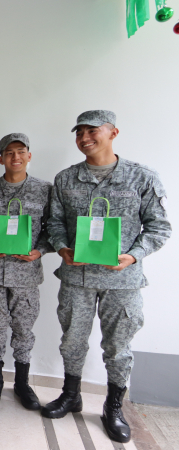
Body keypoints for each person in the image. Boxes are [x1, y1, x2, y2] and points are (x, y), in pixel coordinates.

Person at [42, 111, 171, 444]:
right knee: (72, 340)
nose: (85, 137)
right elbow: (54, 223)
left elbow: (159, 228)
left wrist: (133, 255)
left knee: (118, 347)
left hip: (122, 281)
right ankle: (71, 395)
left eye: (92, 130)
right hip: (77, 277)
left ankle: (113, 408)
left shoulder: (142, 178)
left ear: (113, 132)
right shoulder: (65, 179)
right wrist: (61, 246)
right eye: (79, 132)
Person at [0, 134, 53, 408]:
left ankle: (22, 383)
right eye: (9, 153)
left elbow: (53, 229)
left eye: (21, 152)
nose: (15, 157)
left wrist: (39, 250)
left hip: (26, 275)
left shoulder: (45, 190)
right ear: (1, 159)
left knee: (23, 330)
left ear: (29, 156)